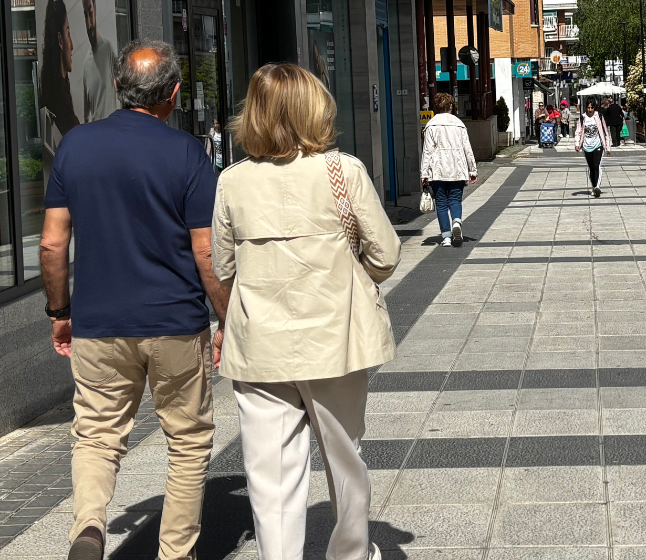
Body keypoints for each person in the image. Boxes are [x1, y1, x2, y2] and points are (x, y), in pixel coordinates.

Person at [39, 40, 224, 560]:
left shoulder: (75, 146)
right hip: (174, 320)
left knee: (96, 436)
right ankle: (175, 551)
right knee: (186, 441)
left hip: (99, 324)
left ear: (118, 86)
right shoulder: (188, 152)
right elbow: (205, 250)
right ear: (174, 93)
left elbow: (53, 243)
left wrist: (60, 312)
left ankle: (89, 531)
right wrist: (225, 316)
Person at [213, 63, 401, 559]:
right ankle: (351, 554)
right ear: (314, 108)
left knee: (269, 472)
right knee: (345, 459)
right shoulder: (343, 171)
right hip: (334, 336)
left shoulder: (232, 182)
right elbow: (386, 255)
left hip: (260, 342)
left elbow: (223, 266)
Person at [422, 92, 478, 247]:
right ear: (451, 107)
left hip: (437, 170)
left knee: (441, 203)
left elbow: (427, 151)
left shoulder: (431, 125)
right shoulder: (459, 124)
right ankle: (457, 222)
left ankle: (446, 236)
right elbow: (467, 148)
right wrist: (472, 170)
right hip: (457, 168)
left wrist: (424, 173)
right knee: (455, 199)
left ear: (436, 106)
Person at [40, 0, 79, 138]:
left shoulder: (54, 89)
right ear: (60, 41)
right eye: (68, 33)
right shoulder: (60, 96)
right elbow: (77, 137)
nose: (72, 45)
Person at [81, 0, 120, 122]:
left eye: (90, 12)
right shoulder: (86, 64)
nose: (89, 23)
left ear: (95, 9)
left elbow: (124, 88)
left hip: (114, 129)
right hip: (99, 134)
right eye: (85, 15)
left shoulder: (108, 48)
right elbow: (86, 115)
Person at [575, 100, 612, 198]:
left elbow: (605, 131)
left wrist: (607, 147)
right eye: (588, 107)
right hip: (587, 146)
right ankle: (593, 187)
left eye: (592, 108)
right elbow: (578, 131)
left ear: (594, 108)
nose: (590, 110)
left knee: (596, 165)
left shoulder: (599, 116)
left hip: (598, 145)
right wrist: (577, 143)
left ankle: (597, 187)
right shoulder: (582, 117)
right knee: (591, 167)